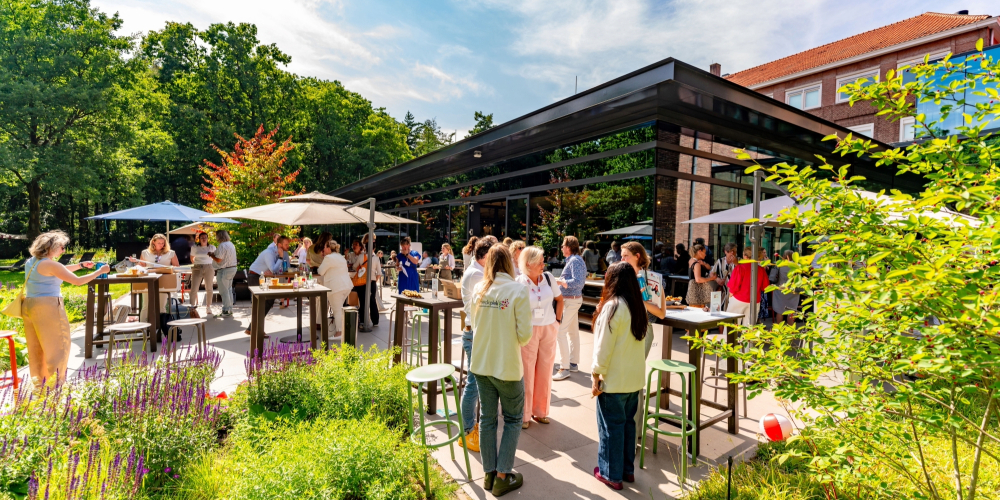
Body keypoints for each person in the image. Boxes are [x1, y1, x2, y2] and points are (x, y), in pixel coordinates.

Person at [470, 245, 532, 496]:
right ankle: (503, 475)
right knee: (513, 419)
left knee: (486, 418)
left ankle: (488, 474)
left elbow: (474, 324)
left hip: (482, 364)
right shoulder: (517, 290)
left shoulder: (479, 289)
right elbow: (525, 335)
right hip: (506, 366)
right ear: (509, 262)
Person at [590, 262, 649, 490]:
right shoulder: (638, 306)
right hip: (634, 380)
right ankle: (626, 469)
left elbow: (603, 348)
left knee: (610, 428)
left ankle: (610, 473)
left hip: (613, 380)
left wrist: (596, 374)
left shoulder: (613, 306)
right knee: (627, 426)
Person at [22, 230, 108, 385]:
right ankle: (56, 387)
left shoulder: (32, 261)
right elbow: (77, 281)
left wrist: (80, 265)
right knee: (59, 347)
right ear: (52, 247)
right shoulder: (50, 264)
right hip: (48, 307)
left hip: (30, 305)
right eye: (61, 247)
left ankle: (40, 385)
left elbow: (57, 271)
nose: (64, 250)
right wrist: (99, 272)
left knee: (37, 349)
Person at [516, 246, 563, 429]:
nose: (544, 264)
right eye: (540, 262)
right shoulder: (519, 282)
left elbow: (560, 300)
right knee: (527, 372)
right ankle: (525, 415)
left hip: (549, 327)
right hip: (529, 330)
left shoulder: (549, 278)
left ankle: (541, 411)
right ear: (528, 263)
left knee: (545, 371)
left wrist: (557, 322)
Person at [458, 235, 497, 453]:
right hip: (475, 333)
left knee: (475, 383)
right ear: (484, 257)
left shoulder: (477, 272)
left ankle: (469, 428)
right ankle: (466, 431)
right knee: (472, 384)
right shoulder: (475, 275)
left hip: (477, 333)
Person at [553, 236, 586, 381]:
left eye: (563, 245)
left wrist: (561, 281)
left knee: (560, 332)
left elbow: (578, 283)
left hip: (571, 301)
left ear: (569, 247)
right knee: (573, 333)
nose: (561, 248)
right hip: (571, 300)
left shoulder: (575, 260)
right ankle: (572, 363)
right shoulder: (575, 260)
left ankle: (564, 367)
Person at [244, 235, 291, 336]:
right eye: (286, 244)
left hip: (261, 277)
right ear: (279, 245)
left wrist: (274, 268)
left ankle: (253, 329)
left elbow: (280, 270)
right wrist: (280, 259)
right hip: (255, 276)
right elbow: (274, 269)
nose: (288, 246)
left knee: (268, 301)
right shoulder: (269, 253)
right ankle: (254, 329)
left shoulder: (279, 253)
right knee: (263, 302)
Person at [130, 234, 179, 322]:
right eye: (159, 243)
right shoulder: (145, 252)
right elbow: (141, 268)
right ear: (153, 242)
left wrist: (171, 268)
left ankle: (162, 330)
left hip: (164, 281)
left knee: (161, 306)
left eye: (163, 243)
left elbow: (176, 267)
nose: (161, 245)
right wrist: (136, 262)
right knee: (146, 306)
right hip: (149, 281)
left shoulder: (171, 253)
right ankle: (143, 329)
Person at [726, 247, 770, 325]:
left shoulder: (740, 268)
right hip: (754, 300)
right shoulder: (761, 269)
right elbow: (765, 287)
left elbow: (734, 285)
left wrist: (731, 294)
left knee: (731, 326)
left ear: (745, 256)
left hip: (739, 298)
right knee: (749, 328)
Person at [318, 240, 352, 338]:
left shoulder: (328, 258)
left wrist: (323, 258)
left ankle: (339, 333)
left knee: (337, 310)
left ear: (328, 249)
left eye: (324, 247)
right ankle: (341, 331)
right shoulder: (340, 257)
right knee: (339, 309)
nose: (323, 249)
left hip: (336, 287)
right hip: (346, 286)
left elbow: (320, 271)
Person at [348, 239, 379, 327]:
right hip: (372, 282)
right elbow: (379, 273)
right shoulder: (376, 258)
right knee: (372, 300)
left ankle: (363, 321)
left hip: (361, 283)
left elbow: (354, 267)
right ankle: (375, 321)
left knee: (362, 301)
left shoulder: (361, 257)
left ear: (365, 247)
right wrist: (374, 281)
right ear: (374, 249)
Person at [210, 229, 237, 317]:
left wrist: (211, 255)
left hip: (224, 270)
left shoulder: (222, 245)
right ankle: (229, 309)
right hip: (232, 268)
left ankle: (226, 310)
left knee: (224, 291)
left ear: (219, 236)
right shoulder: (231, 244)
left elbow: (218, 259)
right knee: (228, 289)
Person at [189, 232, 217, 316]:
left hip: (209, 267)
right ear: (199, 239)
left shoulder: (212, 247)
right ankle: (192, 307)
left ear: (207, 238)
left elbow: (216, 257)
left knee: (209, 287)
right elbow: (192, 258)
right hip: (197, 267)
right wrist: (197, 264)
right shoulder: (195, 247)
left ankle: (208, 306)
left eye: (205, 237)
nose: (204, 239)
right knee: (194, 288)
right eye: (202, 237)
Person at [770, 250, 800, 326]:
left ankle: (779, 330)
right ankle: (790, 330)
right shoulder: (796, 266)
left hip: (780, 290)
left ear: (785, 256)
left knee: (780, 311)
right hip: (793, 291)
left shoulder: (779, 265)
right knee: (791, 311)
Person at [710, 242, 738, 309]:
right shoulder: (720, 261)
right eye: (731, 251)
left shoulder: (739, 260)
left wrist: (736, 263)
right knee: (721, 309)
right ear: (726, 252)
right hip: (723, 291)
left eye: (734, 251)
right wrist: (717, 279)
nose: (733, 253)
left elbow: (744, 271)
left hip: (735, 291)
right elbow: (712, 273)